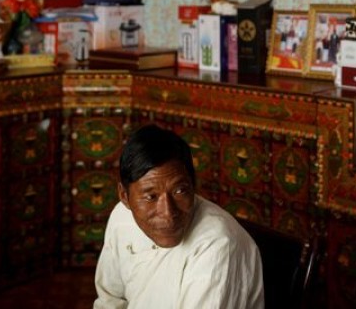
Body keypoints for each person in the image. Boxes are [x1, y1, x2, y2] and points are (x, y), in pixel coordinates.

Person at [94, 124, 264, 308]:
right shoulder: (122, 218)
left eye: (179, 191)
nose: (168, 213)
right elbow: (109, 300)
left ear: (193, 185)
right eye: (151, 197)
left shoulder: (219, 246)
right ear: (124, 197)